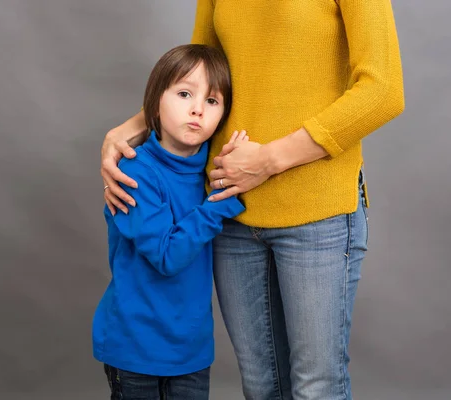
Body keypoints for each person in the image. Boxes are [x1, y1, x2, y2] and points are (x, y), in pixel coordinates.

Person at [100, 1, 405, 398]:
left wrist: (269, 160)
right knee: (262, 386)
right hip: (230, 211)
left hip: (316, 211)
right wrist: (128, 129)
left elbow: (384, 91)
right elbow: (198, 71)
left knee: (317, 388)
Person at [92, 44, 246, 400]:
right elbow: (167, 255)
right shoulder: (134, 171)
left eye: (212, 101)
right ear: (154, 102)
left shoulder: (211, 170)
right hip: (135, 346)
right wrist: (219, 203)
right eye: (184, 93)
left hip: (189, 350)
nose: (197, 109)